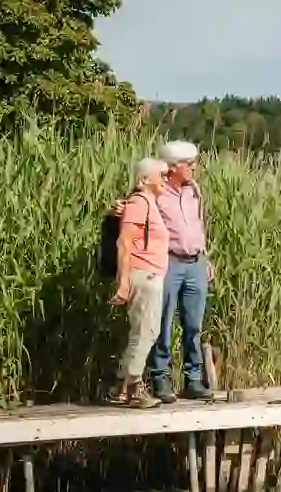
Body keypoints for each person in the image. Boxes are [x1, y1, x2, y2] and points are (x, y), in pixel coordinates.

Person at [113, 140, 215, 402]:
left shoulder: (194, 191)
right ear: (172, 167)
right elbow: (134, 210)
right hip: (169, 262)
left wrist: (205, 256)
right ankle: (161, 378)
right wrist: (120, 209)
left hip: (195, 262)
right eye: (189, 164)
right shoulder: (156, 193)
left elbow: (198, 224)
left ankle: (193, 379)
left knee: (194, 324)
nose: (194, 168)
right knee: (162, 323)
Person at [106, 157, 170, 409]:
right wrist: (123, 281)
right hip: (143, 275)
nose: (166, 178)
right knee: (146, 331)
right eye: (161, 175)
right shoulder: (140, 202)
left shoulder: (147, 203)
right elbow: (124, 242)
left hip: (150, 275)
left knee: (143, 331)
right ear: (144, 180)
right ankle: (133, 387)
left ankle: (120, 386)